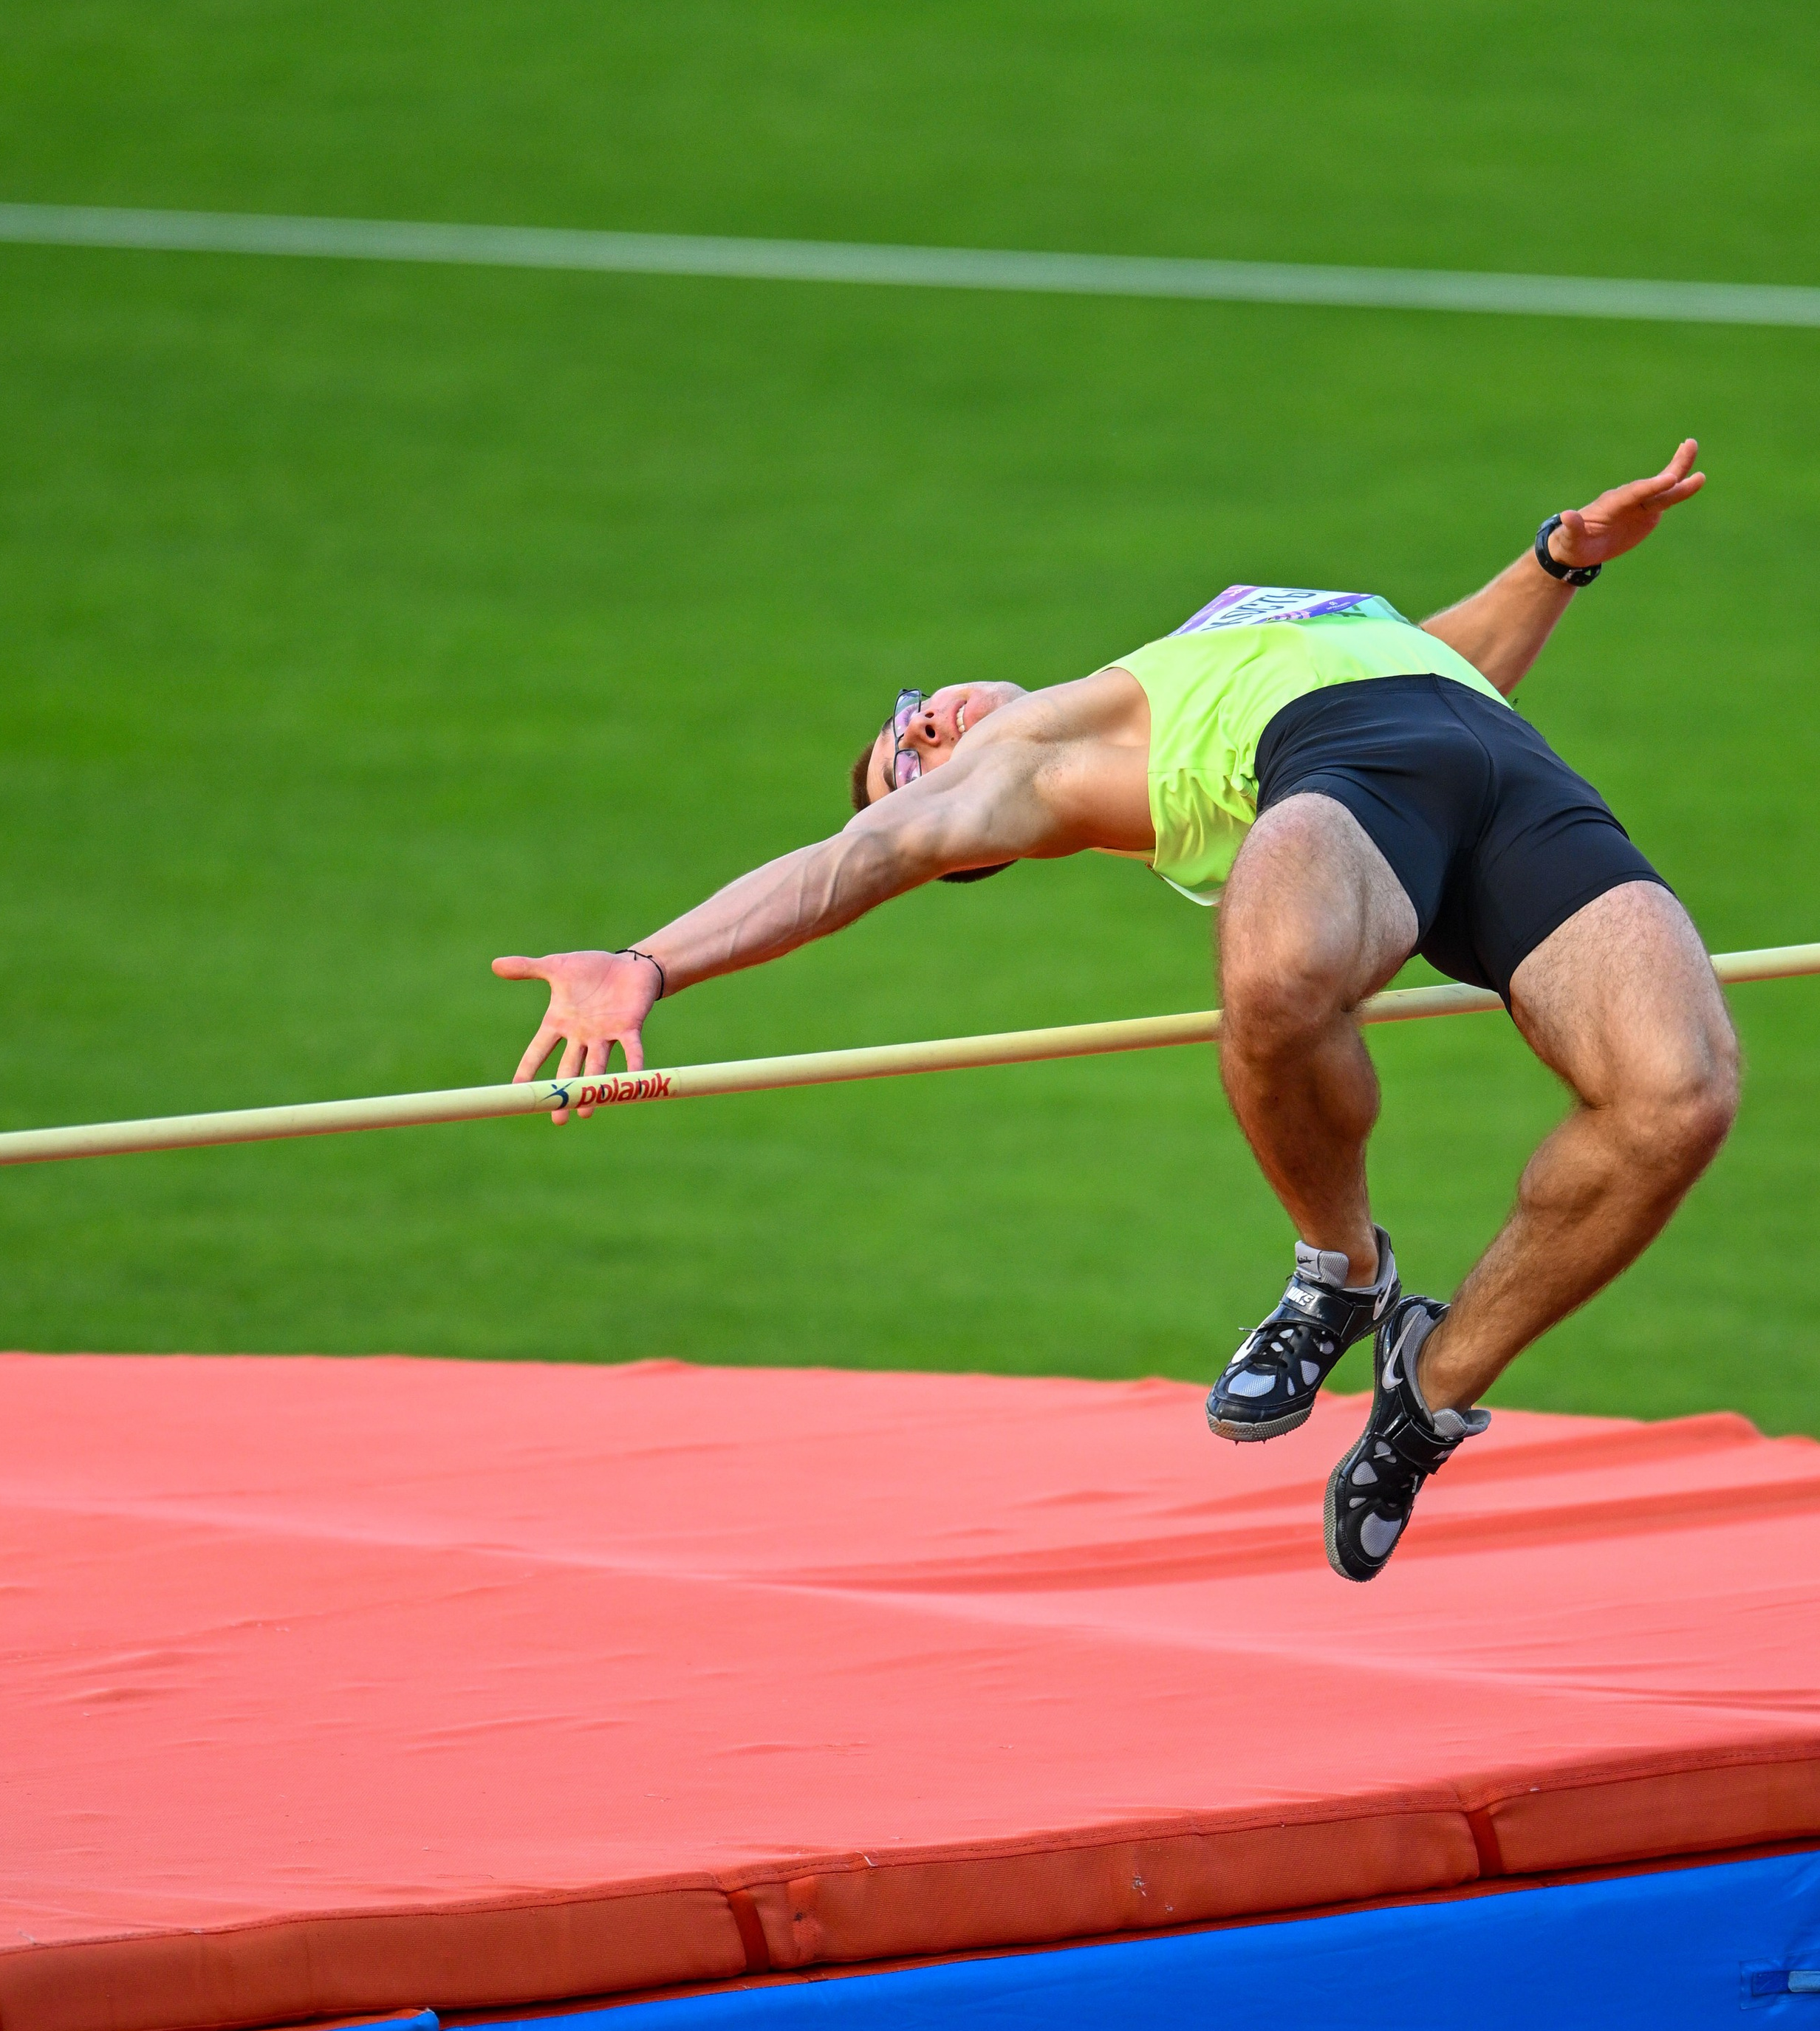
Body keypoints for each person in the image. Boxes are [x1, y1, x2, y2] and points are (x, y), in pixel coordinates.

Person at [496, 442, 1737, 1583]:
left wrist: (1557, 559)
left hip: (1501, 765)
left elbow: (1439, 659)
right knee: (1272, 978)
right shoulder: (1027, 759)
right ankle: (1341, 1274)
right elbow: (848, 863)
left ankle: (1434, 1384)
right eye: (908, 762)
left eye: (906, 718)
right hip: (1337, 782)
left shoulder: (1196, 648)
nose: (923, 729)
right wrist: (645, 962)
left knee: (1677, 1097)